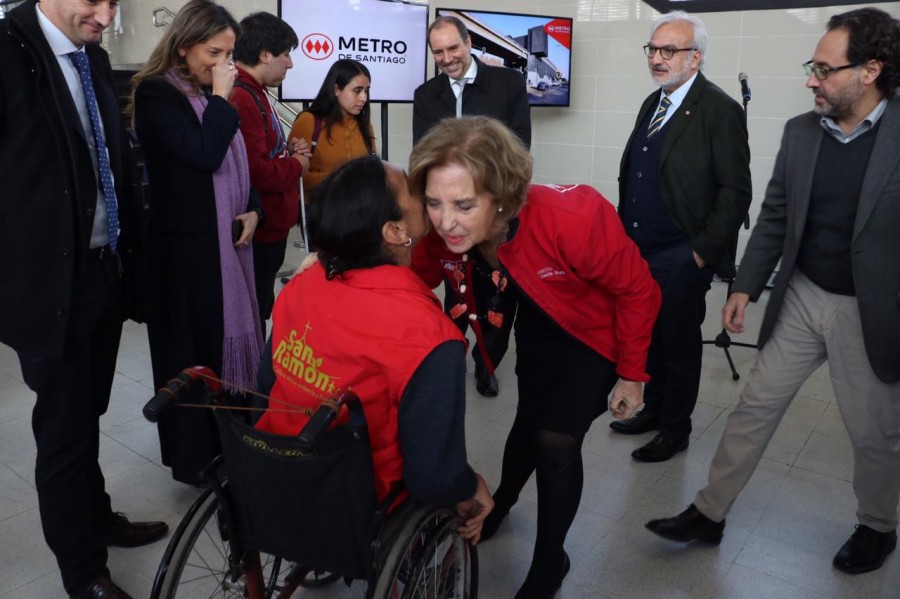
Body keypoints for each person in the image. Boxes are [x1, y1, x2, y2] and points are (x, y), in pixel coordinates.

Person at [645, 7, 900, 576]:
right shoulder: (801, 133)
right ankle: (709, 513)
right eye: (812, 66)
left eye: (825, 69)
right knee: (753, 407)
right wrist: (745, 287)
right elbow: (775, 217)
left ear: (871, 70)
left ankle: (878, 526)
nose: (811, 79)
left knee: (872, 431)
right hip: (803, 295)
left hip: (871, 307)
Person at [409, 116, 661, 598]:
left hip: (596, 332)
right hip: (543, 321)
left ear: (502, 197)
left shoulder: (575, 218)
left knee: (556, 439)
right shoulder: (444, 231)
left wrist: (632, 376)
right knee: (529, 420)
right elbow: (411, 277)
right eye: (435, 203)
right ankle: (501, 503)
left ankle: (551, 559)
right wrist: (338, 267)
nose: (445, 221)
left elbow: (638, 291)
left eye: (464, 205)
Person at [0, 0, 168, 596]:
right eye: (94, 1)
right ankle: (83, 570)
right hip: (49, 284)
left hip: (102, 271)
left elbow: (110, 164)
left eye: (115, 2)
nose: (107, 14)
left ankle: (95, 516)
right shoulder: (8, 54)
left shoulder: (91, 60)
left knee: (88, 411)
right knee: (64, 428)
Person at [255, 155, 493, 541]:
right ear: (396, 231)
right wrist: (469, 485)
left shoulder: (302, 282)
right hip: (357, 504)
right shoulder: (431, 339)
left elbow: (265, 385)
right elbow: (433, 476)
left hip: (273, 472)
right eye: (413, 191)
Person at [132, 0, 263, 486]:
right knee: (191, 362)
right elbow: (205, 155)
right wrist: (224, 98)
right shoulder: (156, 95)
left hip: (225, 250)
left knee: (223, 356)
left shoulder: (212, 97)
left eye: (229, 54)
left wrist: (254, 209)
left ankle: (235, 451)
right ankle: (196, 463)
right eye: (214, 52)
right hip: (183, 260)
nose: (223, 64)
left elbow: (238, 169)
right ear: (184, 47)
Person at [612, 10, 752, 463]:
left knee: (677, 342)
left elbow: (736, 191)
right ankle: (653, 410)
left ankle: (675, 429)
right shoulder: (653, 102)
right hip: (639, 249)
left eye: (668, 50)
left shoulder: (719, 109)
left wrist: (700, 253)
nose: (657, 58)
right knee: (646, 335)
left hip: (681, 252)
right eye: (652, 49)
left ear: (695, 58)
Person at [413, 15, 532, 398]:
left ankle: (487, 364)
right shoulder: (426, 94)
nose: (447, 58)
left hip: (493, 214)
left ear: (468, 43)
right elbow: (423, 154)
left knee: (496, 292)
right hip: (448, 214)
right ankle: (450, 357)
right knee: (455, 291)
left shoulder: (508, 83)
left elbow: (519, 148)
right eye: (438, 52)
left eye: (453, 48)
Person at [232, 12, 311, 329]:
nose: (290, 64)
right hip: (260, 232)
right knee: (254, 312)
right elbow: (255, 171)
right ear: (265, 55)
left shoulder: (256, 91)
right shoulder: (242, 95)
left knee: (261, 305)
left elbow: (263, 153)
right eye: (286, 54)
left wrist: (288, 153)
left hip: (272, 228)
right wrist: (296, 165)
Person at [288, 59, 375, 209]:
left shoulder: (365, 125)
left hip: (360, 212)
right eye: (357, 90)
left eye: (366, 91)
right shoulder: (308, 121)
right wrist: (338, 178)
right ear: (336, 89)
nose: (363, 98)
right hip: (321, 213)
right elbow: (293, 177)